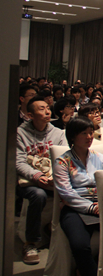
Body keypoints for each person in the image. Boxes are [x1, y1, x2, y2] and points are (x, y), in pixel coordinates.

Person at [54, 117, 103, 276]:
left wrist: (102, 204)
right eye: (84, 133)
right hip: (74, 209)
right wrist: (90, 207)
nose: (89, 137)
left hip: (100, 206)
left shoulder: (100, 158)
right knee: (80, 245)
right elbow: (66, 193)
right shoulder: (62, 161)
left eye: (91, 132)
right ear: (72, 136)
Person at [16, 95, 68, 264]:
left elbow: (63, 157)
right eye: (41, 109)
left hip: (51, 177)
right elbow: (18, 162)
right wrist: (37, 176)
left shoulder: (57, 133)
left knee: (73, 190)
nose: (47, 111)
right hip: (28, 180)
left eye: (47, 108)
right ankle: (30, 243)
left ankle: (54, 230)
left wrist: (54, 176)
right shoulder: (20, 133)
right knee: (38, 195)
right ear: (30, 115)